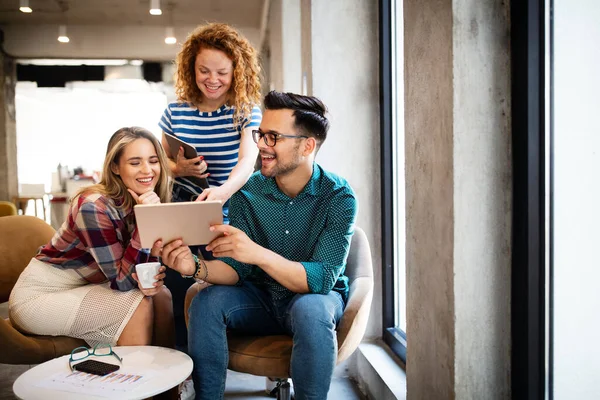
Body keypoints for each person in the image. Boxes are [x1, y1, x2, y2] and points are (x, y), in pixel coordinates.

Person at [158, 91, 358, 400]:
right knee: (206, 302)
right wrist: (193, 266)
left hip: (311, 301)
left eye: (273, 137)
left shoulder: (338, 196)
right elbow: (237, 269)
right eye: (260, 134)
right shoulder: (248, 191)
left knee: (310, 308)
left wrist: (257, 253)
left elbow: (320, 280)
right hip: (260, 300)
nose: (261, 145)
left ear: (307, 145)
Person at [9, 127, 175, 353]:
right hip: (39, 297)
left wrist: (152, 274)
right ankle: (135, 383)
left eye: (153, 160)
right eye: (135, 163)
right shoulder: (93, 206)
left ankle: (168, 384)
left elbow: (140, 269)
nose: (147, 170)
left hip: (85, 286)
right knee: (137, 302)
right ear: (115, 167)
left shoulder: (145, 200)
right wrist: (147, 221)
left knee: (162, 296)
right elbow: (124, 283)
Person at [157, 22, 263, 350]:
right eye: (204, 70)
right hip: (184, 216)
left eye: (222, 72)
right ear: (192, 68)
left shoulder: (245, 111)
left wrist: (223, 191)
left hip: (229, 217)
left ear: (237, 72)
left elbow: (248, 161)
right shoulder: (175, 111)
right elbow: (160, 165)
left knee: (217, 292)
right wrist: (179, 167)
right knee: (176, 289)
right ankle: (181, 369)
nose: (212, 80)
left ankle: (214, 360)